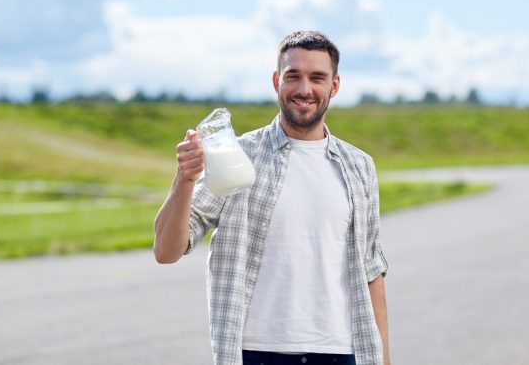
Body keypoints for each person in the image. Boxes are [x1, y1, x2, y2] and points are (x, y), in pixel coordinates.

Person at [154, 30, 390, 365]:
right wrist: (185, 178)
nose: (304, 89)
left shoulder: (359, 166)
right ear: (277, 80)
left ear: (334, 86)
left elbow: (372, 272)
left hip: (342, 353)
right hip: (257, 353)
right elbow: (166, 251)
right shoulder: (236, 156)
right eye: (293, 76)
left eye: (317, 78)